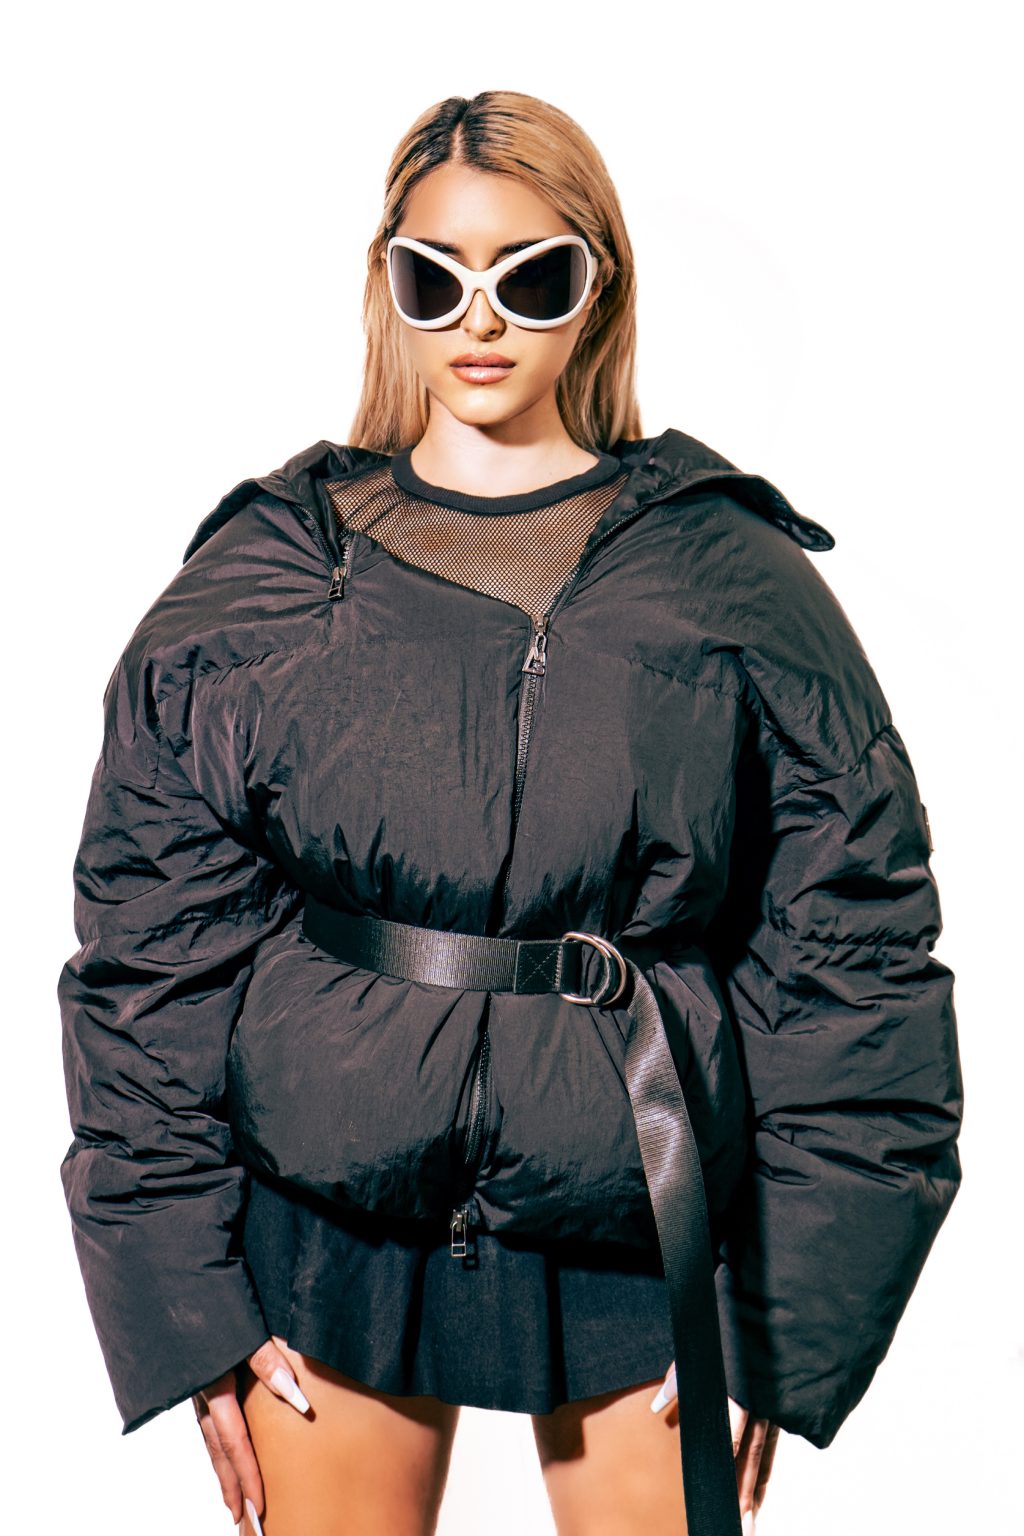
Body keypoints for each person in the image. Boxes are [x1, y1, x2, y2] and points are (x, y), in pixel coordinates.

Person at [57, 90, 963, 1536]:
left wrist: (787, 1323)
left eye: (531, 276)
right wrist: (182, 1298)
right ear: (389, 285)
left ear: (598, 285)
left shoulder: (729, 579)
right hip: (330, 1215)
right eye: (438, 278)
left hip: (643, 1213)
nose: (481, 319)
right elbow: (151, 952)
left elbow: (851, 959)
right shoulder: (267, 576)